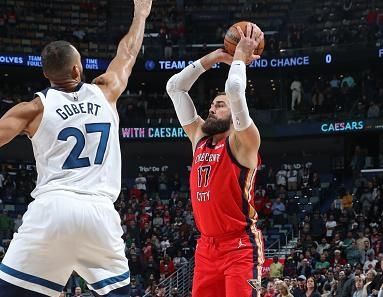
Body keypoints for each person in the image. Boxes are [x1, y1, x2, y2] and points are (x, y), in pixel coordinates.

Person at [0, 0, 152, 296]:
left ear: (46, 75)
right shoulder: (107, 91)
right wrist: (141, 14)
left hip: (51, 210)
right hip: (99, 212)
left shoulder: (32, 110)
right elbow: (128, 52)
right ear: (77, 67)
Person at [166, 23, 265, 297]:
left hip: (240, 246)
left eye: (218, 105)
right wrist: (214, 58)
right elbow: (175, 87)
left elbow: (234, 89)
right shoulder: (200, 137)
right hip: (206, 248)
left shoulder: (243, 141)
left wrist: (240, 59)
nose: (211, 107)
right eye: (212, 104)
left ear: (234, 111)